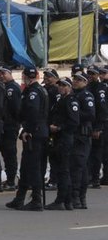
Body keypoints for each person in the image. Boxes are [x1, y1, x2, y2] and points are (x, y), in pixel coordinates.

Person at [5, 67, 49, 211]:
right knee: (25, 166)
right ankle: (20, 198)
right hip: (38, 131)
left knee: (33, 166)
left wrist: (27, 130)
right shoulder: (37, 90)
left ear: (25, 76)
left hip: (34, 133)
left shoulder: (34, 92)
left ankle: (36, 199)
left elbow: (33, 112)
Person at [46, 77, 78, 210]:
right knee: (61, 170)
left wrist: (59, 128)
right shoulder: (61, 100)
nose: (61, 87)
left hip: (64, 139)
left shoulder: (70, 101)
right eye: (60, 85)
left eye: (64, 85)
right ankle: (67, 200)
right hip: (58, 139)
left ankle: (62, 200)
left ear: (69, 87)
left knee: (63, 171)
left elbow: (74, 122)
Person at [70, 72, 94, 209]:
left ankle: (78, 197)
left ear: (85, 82)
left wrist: (74, 114)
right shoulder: (75, 95)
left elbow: (90, 114)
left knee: (79, 166)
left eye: (79, 80)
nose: (75, 81)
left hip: (82, 136)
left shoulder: (86, 96)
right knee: (79, 166)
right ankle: (78, 197)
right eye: (75, 79)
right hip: (75, 135)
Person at [0, 67, 21, 191]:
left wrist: (16, 124)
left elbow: (16, 109)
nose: (2, 75)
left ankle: (12, 180)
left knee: (10, 153)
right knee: (6, 153)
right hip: (5, 125)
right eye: (0, 73)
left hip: (10, 126)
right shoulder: (5, 87)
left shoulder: (12, 88)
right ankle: (10, 178)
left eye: (4, 73)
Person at [87, 67, 108, 189]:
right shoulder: (89, 87)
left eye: (93, 74)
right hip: (93, 124)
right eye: (89, 74)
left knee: (97, 152)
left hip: (99, 125)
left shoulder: (100, 88)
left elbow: (102, 108)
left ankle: (94, 178)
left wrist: (99, 127)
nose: (90, 76)